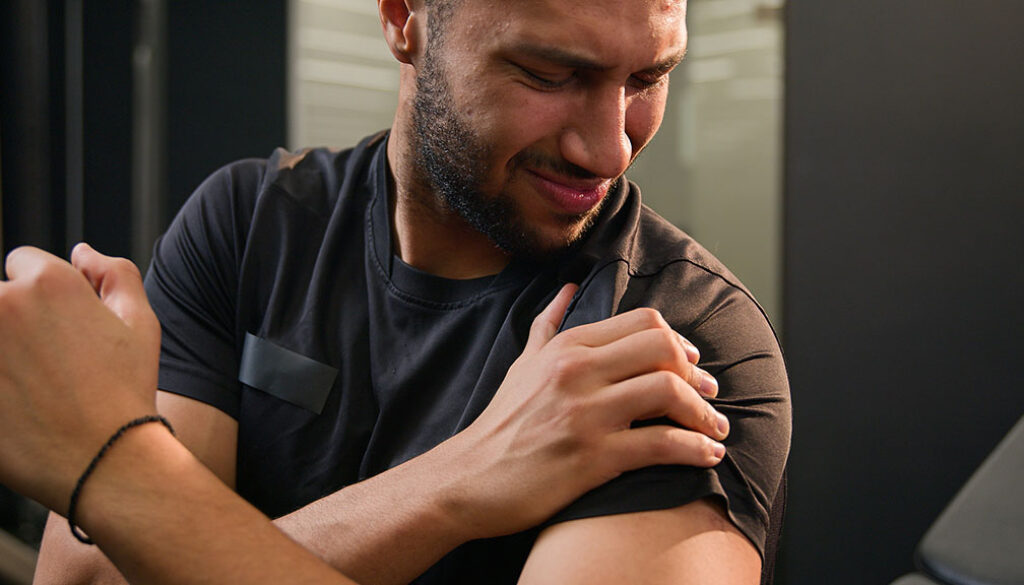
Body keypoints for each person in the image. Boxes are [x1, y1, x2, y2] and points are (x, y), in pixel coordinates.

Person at [34, 0, 791, 583]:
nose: (609, 147)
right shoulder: (246, 225)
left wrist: (119, 474)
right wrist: (462, 478)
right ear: (403, 17)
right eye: (550, 74)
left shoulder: (679, 338)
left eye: (648, 78)